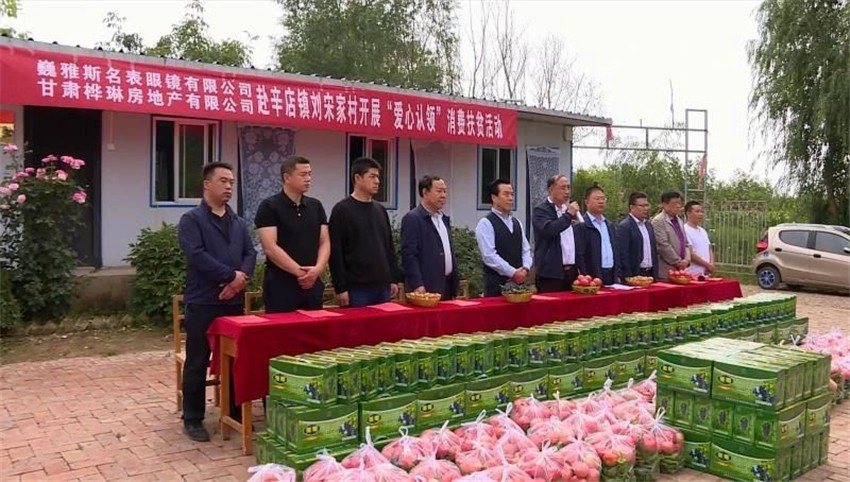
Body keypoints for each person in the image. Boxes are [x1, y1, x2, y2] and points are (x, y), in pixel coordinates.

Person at [177, 162, 256, 442]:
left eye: (231, 182)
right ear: (207, 184)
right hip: (203, 301)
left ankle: (233, 410)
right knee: (198, 360)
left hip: (233, 303)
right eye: (223, 181)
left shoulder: (238, 222)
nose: (229, 186)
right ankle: (193, 418)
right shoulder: (192, 220)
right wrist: (230, 276)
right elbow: (197, 255)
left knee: (235, 358)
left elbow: (250, 253)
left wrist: (239, 280)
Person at [255, 156, 329, 313]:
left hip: (313, 282)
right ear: (287, 177)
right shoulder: (269, 206)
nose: (308, 179)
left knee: (314, 326)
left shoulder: (316, 206)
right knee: (282, 327)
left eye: (310, 174)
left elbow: (324, 242)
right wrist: (300, 273)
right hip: (281, 284)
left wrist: (318, 269)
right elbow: (270, 247)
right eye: (303, 174)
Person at [329, 157, 402, 307]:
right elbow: (336, 252)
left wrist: (393, 278)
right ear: (357, 178)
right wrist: (340, 287)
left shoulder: (380, 210)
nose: (377, 181)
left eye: (378, 177)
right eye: (372, 176)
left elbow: (389, 247)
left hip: (382, 286)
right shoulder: (342, 210)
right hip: (356, 289)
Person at [400, 175, 459, 300]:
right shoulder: (413, 219)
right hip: (426, 287)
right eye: (439, 191)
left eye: (445, 191)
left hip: (447, 285)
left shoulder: (443, 219)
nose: (443, 196)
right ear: (425, 192)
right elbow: (409, 255)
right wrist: (417, 284)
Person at [475, 179, 532, 297]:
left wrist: (525, 268)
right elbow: (489, 256)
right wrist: (513, 272)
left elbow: (526, 249)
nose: (510, 198)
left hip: (519, 285)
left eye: (512, 194)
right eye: (506, 194)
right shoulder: (486, 223)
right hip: (496, 285)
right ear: (494, 198)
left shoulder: (517, 222)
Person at [531, 174, 583, 292]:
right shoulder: (541, 210)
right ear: (551, 189)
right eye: (562, 188)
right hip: (550, 274)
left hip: (571, 273)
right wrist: (568, 215)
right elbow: (549, 230)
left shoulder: (567, 210)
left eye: (568, 187)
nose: (567, 191)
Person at [575, 184, 619, 285]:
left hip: (611, 274)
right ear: (587, 202)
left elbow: (616, 251)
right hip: (592, 277)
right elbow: (580, 255)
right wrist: (585, 276)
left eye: (603, 199)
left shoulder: (609, 225)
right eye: (597, 199)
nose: (601, 201)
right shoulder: (581, 225)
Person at [616, 191, 659, 279]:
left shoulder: (648, 225)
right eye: (642, 206)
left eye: (647, 205)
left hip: (650, 273)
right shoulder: (625, 227)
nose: (645, 208)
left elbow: (654, 250)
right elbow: (623, 254)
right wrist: (628, 275)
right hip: (635, 273)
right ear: (632, 207)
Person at [651, 190, 691, 280]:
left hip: (681, 270)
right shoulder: (658, 221)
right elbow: (663, 245)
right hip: (666, 271)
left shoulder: (679, 220)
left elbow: (685, 243)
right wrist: (678, 262)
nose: (678, 206)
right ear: (665, 204)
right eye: (674, 203)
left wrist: (687, 259)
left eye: (679, 203)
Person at [684, 200, 715, 276]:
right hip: (692, 272)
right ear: (688, 213)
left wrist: (711, 264)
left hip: (705, 273)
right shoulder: (684, 230)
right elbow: (690, 253)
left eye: (702, 212)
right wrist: (707, 265)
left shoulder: (702, 231)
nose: (701, 214)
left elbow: (709, 248)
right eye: (697, 212)